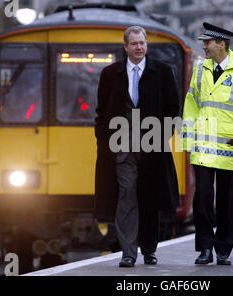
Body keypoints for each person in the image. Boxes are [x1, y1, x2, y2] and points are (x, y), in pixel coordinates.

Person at [94, 26, 180, 267]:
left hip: (152, 146)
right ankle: (128, 253)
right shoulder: (110, 74)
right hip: (120, 147)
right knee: (127, 195)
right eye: (134, 44)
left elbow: (173, 108)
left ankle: (149, 249)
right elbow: (101, 112)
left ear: (146, 45)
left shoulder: (162, 72)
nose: (139, 47)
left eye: (142, 43)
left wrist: (162, 135)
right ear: (126, 47)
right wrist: (103, 137)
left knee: (149, 196)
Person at [181, 22, 233, 265]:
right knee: (203, 198)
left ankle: (223, 248)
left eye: (207, 42)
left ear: (221, 44)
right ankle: (204, 248)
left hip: (231, 147)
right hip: (204, 148)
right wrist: (187, 136)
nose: (203, 46)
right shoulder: (199, 70)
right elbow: (191, 104)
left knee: (227, 202)